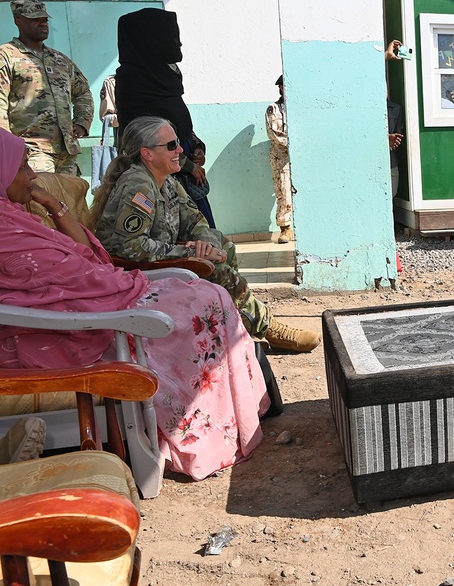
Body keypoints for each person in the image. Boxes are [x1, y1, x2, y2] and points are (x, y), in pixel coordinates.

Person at [0, 127, 269, 480]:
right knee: (200, 303)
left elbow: (88, 258)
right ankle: (198, 428)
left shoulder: (16, 216)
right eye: (22, 167)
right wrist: (183, 254)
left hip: (105, 296)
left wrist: (53, 205)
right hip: (86, 318)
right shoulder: (136, 187)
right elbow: (117, 256)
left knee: (211, 292)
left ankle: (241, 412)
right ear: (147, 153)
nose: (32, 175)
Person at [90, 116, 320, 353]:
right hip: (131, 272)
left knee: (223, 246)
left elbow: (197, 222)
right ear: (147, 153)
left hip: (154, 261)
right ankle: (267, 327)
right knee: (216, 269)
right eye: (171, 145)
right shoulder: (138, 184)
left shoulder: (166, 181)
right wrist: (189, 252)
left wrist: (207, 246)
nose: (180, 150)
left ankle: (235, 326)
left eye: (177, 143)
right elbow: (130, 247)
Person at [115, 8, 215, 226]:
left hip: (184, 166)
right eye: (171, 37)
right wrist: (188, 165)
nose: (178, 44)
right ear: (149, 40)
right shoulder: (134, 83)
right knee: (185, 238)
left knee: (206, 235)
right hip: (161, 177)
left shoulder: (165, 75)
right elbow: (147, 142)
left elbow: (180, 119)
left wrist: (198, 147)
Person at [0, 1, 94, 175]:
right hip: (32, 150)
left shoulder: (60, 60)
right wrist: (8, 147)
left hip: (67, 152)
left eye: (44, 19)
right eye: (35, 20)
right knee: (42, 200)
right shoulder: (6, 56)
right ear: (18, 20)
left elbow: (83, 92)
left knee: (70, 201)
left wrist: (82, 122)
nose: (43, 23)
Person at [266, 75, 294, 243]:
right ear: (281, 88)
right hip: (281, 156)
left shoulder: (301, 107)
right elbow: (275, 134)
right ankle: (285, 229)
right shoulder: (273, 109)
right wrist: (295, 145)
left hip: (300, 156)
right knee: (283, 191)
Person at [387, 88, 404, 198]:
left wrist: (393, 140)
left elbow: (399, 133)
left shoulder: (395, 109)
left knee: (392, 191)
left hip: (391, 159)